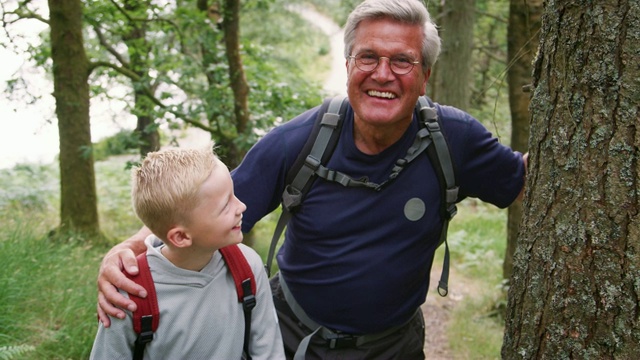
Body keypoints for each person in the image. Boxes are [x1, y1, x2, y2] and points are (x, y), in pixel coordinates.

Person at [96, 0, 528, 358]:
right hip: (292, 342)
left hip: (395, 346)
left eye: (402, 61)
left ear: (424, 76)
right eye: (368, 57)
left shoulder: (455, 140)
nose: (382, 74)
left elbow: (531, 179)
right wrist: (128, 249)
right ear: (347, 66)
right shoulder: (299, 141)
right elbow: (192, 212)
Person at [90, 145, 284, 359]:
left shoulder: (248, 266)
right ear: (181, 237)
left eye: (234, 195)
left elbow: (268, 351)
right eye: (225, 206)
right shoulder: (131, 293)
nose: (242, 207)